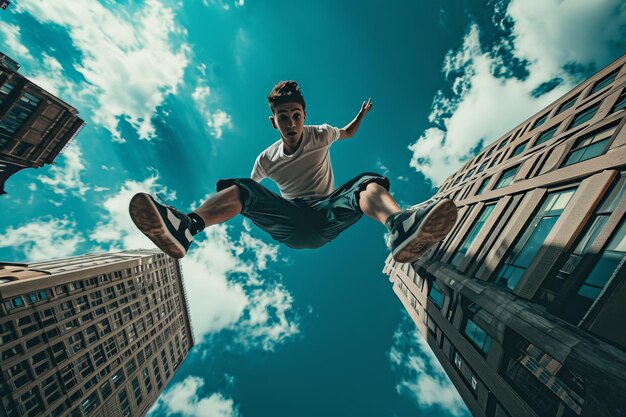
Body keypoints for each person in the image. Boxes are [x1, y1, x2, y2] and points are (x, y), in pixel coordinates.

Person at [129, 80, 458, 262]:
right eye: (283, 118)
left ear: (304, 114)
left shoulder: (321, 133)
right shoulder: (267, 159)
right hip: (289, 220)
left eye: (296, 115)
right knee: (242, 186)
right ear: (273, 121)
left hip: (327, 213)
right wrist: (234, 202)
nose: (291, 124)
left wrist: (360, 116)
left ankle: (400, 225)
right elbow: (243, 199)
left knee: (365, 182)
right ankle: (186, 227)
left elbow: (347, 133)